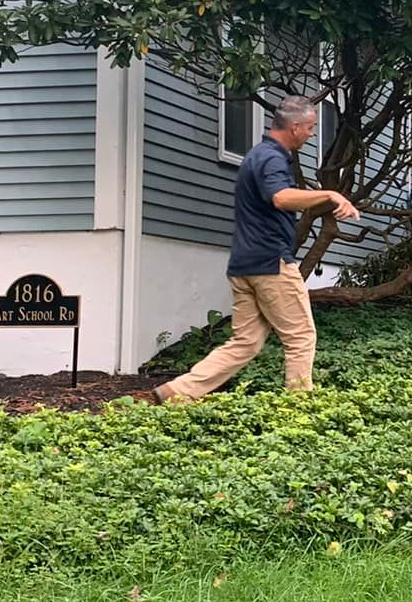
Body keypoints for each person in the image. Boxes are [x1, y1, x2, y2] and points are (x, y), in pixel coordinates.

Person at [148, 94, 359, 401]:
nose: (312, 134)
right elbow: (281, 198)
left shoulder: (257, 155)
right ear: (296, 127)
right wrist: (330, 195)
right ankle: (300, 410)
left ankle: (178, 391)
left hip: (244, 265)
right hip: (270, 264)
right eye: (311, 128)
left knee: (245, 342)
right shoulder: (271, 158)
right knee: (300, 336)